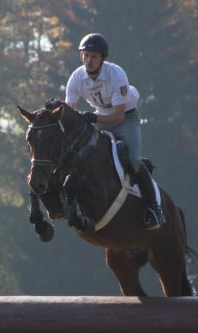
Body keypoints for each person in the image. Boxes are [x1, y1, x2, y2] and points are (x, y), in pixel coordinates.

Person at [65, 33, 165, 230]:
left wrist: (92, 118)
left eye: (94, 56)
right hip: (100, 116)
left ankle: (155, 208)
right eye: (86, 55)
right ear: (80, 56)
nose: (89, 60)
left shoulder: (117, 74)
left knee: (134, 160)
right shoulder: (76, 77)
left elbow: (118, 117)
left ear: (103, 58)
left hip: (125, 118)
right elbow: (70, 113)